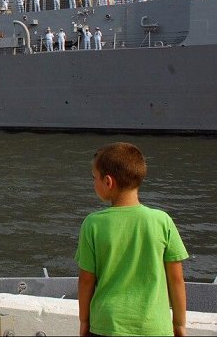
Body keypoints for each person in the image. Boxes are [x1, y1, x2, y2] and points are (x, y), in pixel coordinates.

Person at [76, 142, 188, 337]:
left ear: (108, 182)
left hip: (106, 326)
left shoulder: (92, 224)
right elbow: (176, 279)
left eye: (94, 178)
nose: (93, 183)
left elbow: (86, 281)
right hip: (154, 327)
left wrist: (84, 321)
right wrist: (179, 324)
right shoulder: (162, 221)